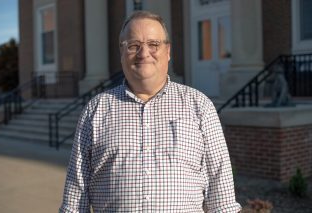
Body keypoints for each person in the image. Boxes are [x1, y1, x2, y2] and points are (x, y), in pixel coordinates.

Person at [60, 11, 241, 212]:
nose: (143, 53)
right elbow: (75, 198)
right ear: (122, 53)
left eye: (153, 44)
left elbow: (221, 193)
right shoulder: (96, 110)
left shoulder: (199, 106)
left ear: (168, 51)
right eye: (133, 45)